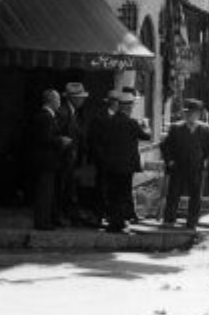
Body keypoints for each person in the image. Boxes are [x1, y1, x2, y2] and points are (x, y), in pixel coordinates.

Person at [101, 89, 151, 233]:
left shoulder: (109, 122)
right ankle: (120, 222)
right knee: (123, 193)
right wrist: (145, 126)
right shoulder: (131, 123)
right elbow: (146, 136)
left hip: (111, 165)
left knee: (113, 194)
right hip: (126, 166)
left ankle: (113, 222)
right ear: (128, 107)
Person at [160, 99, 209, 229]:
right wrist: (169, 160)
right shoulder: (176, 128)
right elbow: (165, 145)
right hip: (178, 166)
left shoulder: (205, 129)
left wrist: (206, 160)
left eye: (193, 113)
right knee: (173, 194)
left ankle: (192, 222)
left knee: (195, 196)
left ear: (198, 114)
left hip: (196, 167)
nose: (190, 115)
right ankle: (169, 220)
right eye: (188, 113)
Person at [28, 89, 69, 230]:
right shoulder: (45, 117)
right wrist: (61, 140)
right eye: (57, 100)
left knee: (47, 192)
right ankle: (42, 222)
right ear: (51, 100)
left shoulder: (48, 116)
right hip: (45, 162)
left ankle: (45, 220)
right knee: (44, 192)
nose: (59, 103)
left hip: (46, 162)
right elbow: (45, 138)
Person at [87, 90, 123, 229]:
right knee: (101, 188)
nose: (116, 104)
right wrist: (101, 157)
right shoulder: (99, 118)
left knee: (114, 190)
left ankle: (111, 216)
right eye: (115, 101)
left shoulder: (121, 118)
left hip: (117, 162)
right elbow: (94, 139)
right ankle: (99, 215)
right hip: (103, 161)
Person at [55, 82, 89, 226]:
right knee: (62, 188)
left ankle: (68, 215)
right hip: (64, 159)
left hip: (71, 158)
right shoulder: (63, 113)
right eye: (81, 97)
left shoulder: (73, 113)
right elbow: (58, 134)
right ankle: (59, 215)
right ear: (74, 98)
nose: (83, 100)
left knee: (69, 188)